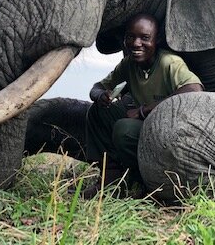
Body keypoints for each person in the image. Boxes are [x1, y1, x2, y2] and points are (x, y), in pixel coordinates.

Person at [84, 13, 203, 197]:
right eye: (131, 37)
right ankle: (111, 179)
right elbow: (97, 87)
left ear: (157, 40)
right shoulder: (128, 64)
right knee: (97, 112)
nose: (136, 43)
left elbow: (194, 90)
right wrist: (101, 95)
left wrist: (143, 110)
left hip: (169, 132)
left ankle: (144, 180)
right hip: (144, 126)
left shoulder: (168, 63)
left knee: (124, 128)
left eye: (145, 38)